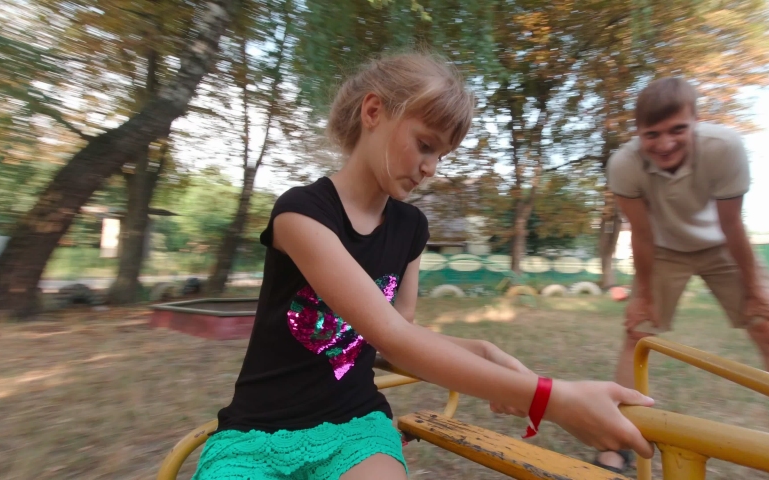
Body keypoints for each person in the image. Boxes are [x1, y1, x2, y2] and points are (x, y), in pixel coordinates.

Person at [191, 52, 655, 480]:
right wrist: (553, 400)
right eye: (425, 144)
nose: (432, 168)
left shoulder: (411, 228)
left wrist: (482, 350)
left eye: (441, 155)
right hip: (258, 430)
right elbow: (395, 336)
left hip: (354, 427)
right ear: (373, 112)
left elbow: (394, 337)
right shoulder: (301, 213)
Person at [597, 77, 769, 473]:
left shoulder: (724, 147)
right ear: (638, 134)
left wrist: (756, 291)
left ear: (696, 121)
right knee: (637, 332)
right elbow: (642, 234)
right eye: (652, 134)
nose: (665, 144)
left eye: (677, 129)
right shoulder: (624, 164)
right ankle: (615, 444)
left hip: (721, 244)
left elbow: (732, 225)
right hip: (663, 249)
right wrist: (642, 297)